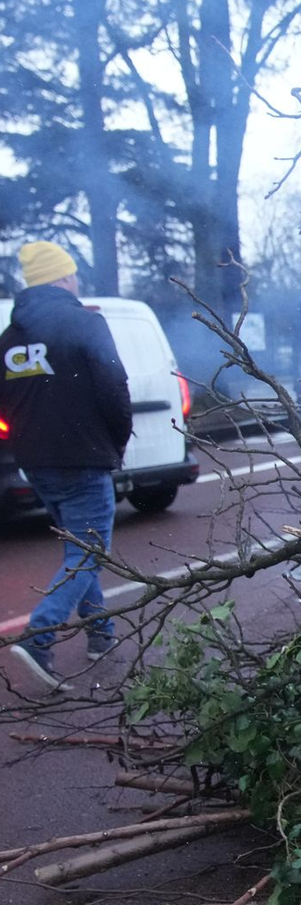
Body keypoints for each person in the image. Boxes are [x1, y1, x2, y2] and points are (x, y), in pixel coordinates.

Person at [0, 241, 132, 687]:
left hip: (36, 464)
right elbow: (114, 385)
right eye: (72, 274)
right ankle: (39, 637)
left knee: (79, 549)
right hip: (83, 458)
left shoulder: (9, 339)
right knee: (89, 551)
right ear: (62, 278)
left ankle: (100, 633)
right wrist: (116, 441)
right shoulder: (85, 323)